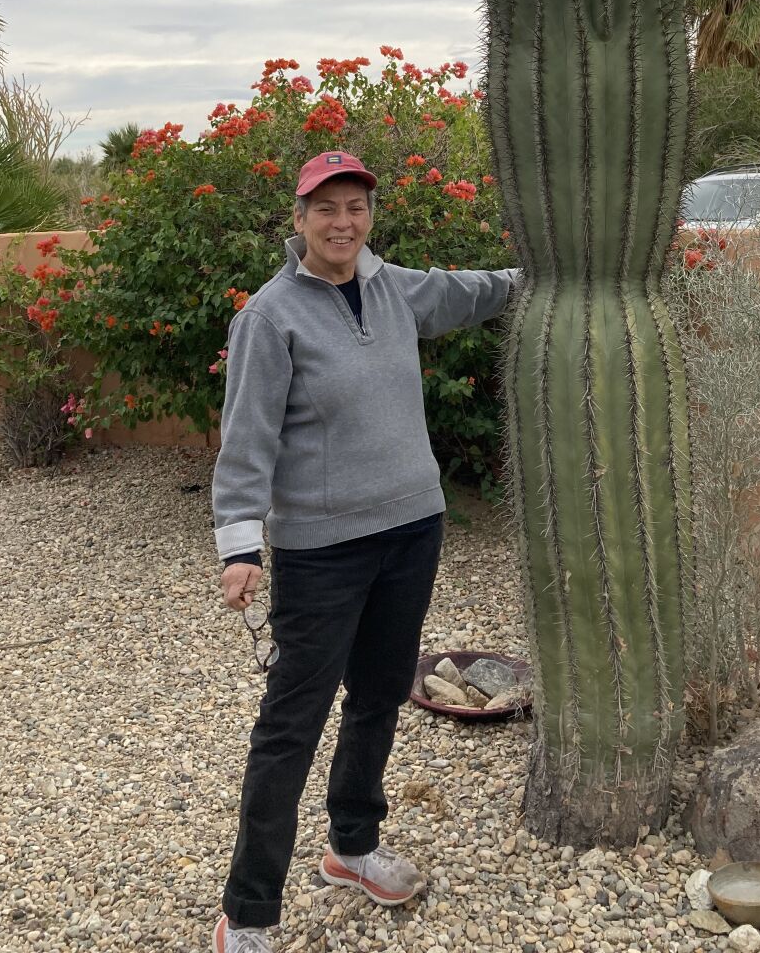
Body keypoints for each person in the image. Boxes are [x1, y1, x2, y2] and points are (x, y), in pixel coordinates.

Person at [211, 148, 517, 952]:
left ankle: (352, 848)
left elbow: (470, 292)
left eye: (356, 208)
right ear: (300, 217)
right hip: (323, 550)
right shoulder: (268, 316)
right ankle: (247, 913)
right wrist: (240, 543)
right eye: (327, 209)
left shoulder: (394, 288)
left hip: (412, 529)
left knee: (379, 696)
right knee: (292, 726)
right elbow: (246, 441)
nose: (343, 223)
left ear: (369, 215)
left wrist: (544, 276)